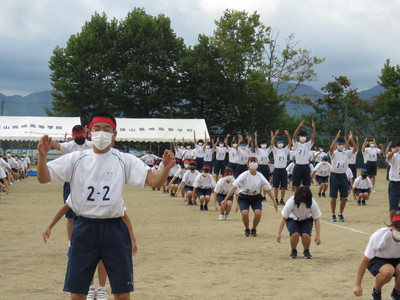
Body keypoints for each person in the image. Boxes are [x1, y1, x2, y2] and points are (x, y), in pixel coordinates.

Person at [37, 112, 176, 300]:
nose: (101, 133)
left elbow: (155, 182)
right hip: (84, 228)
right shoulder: (76, 159)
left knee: (121, 294)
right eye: (97, 128)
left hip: (114, 229)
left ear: (114, 134)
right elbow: (44, 177)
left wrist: (166, 169)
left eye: (107, 128)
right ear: (88, 132)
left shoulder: (124, 159)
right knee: (78, 293)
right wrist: (42, 157)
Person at [223, 156, 277, 237]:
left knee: (258, 213)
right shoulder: (244, 175)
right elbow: (234, 187)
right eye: (251, 162)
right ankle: (247, 229)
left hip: (256, 197)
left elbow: (268, 189)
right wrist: (226, 199)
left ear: (258, 164)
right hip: (244, 197)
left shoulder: (260, 176)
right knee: (245, 213)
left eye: (255, 162)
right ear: (247, 164)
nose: (253, 163)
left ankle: (254, 229)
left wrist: (274, 201)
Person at [353, 214, 400, 300]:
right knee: (388, 271)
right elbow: (364, 261)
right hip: (378, 258)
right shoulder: (380, 235)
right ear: (392, 227)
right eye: (398, 228)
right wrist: (357, 285)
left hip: (397, 258)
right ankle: (376, 292)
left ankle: (396, 293)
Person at [276, 186, 321, 259]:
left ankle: (306, 251)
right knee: (295, 234)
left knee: (306, 235)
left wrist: (318, 236)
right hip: (292, 219)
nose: (303, 201)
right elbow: (284, 218)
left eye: (305, 199)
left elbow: (317, 219)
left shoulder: (312, 202)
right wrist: (278, 234)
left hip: (306, 219)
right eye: (301, 199)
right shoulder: (291, 201)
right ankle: (293, 250)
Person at [328, 130, 357, 222]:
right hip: (334, 175)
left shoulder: (346, 153)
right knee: (334, 196)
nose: (341, 145)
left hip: (343, 176)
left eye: (342, 143)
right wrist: (336, 138)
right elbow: (331, 149)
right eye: (339, 143)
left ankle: (340, 213)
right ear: (337, 144)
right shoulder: (334, 153)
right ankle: (333, 214)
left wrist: (351, 139)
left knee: (344, 196)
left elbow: (355, 149)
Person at [291, 120, 317, 191]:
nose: (303, 137)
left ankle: (305, 198)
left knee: (307, 185)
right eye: (301, 136)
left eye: (304, 136)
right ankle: (297, 199)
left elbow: (313, 137)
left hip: (306, 166)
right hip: (298, 166)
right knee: (297, 185)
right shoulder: (296, 145)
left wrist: (314, 128)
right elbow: (294, 136)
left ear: (306, 137)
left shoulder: (307, 145)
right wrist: (299, 126)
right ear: (299, 137)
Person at [270, 129, 292, 205]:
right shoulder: (275, 150)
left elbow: (290, 143)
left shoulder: (285, 150)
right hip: (276, 169)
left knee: (283, 186)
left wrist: (288, 135)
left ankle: (282, 199)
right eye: (279, 143)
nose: (280, 144)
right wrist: (274, 135)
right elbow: (272, 143)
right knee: (275, 186)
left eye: (281, 143)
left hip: (283, 169)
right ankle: (276, 199)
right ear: (277, 144)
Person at [386, 140, 400, 221]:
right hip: (394, 184)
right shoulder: (395, 156)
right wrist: (393, 152)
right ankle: (392, 225)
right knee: (393, 208)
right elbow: (388, 158)